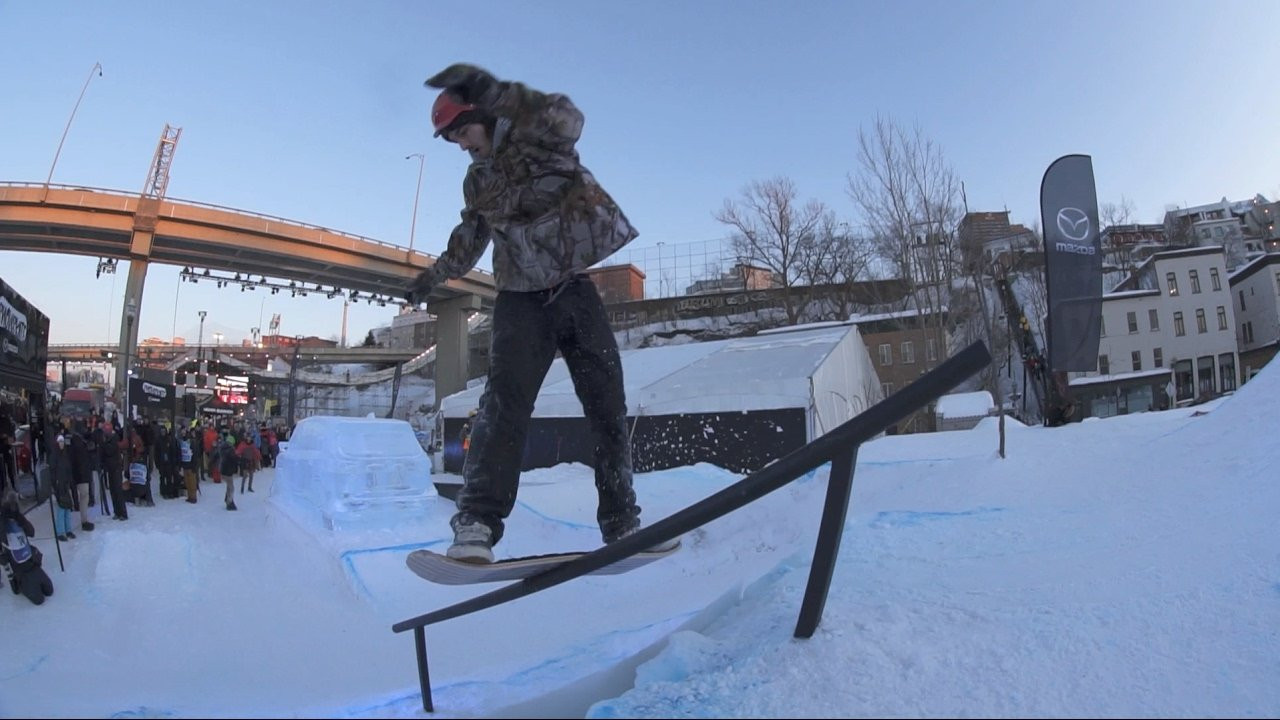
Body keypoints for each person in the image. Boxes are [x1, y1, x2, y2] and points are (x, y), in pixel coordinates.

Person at [406, 63, 672, 563]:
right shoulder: (478, 180)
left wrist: (502, 92)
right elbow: (470, 238)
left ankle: (621, 522)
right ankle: (477, 525)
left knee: (607, 408)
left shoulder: (540, 137)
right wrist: (433, 276)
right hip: (520, 302)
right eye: (452, 140)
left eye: (463, 131)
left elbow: (571, 120)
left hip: (573, 288)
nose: (462, 144)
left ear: (482, 113)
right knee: (503, 410)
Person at [1, 489, 54, 605]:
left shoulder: (18, 519)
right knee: (39, 600)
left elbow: (31, 532)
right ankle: (20, 583)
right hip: (19, 569)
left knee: (49, 590)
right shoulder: (2, 525)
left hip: (31, 562)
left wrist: (20, 519)